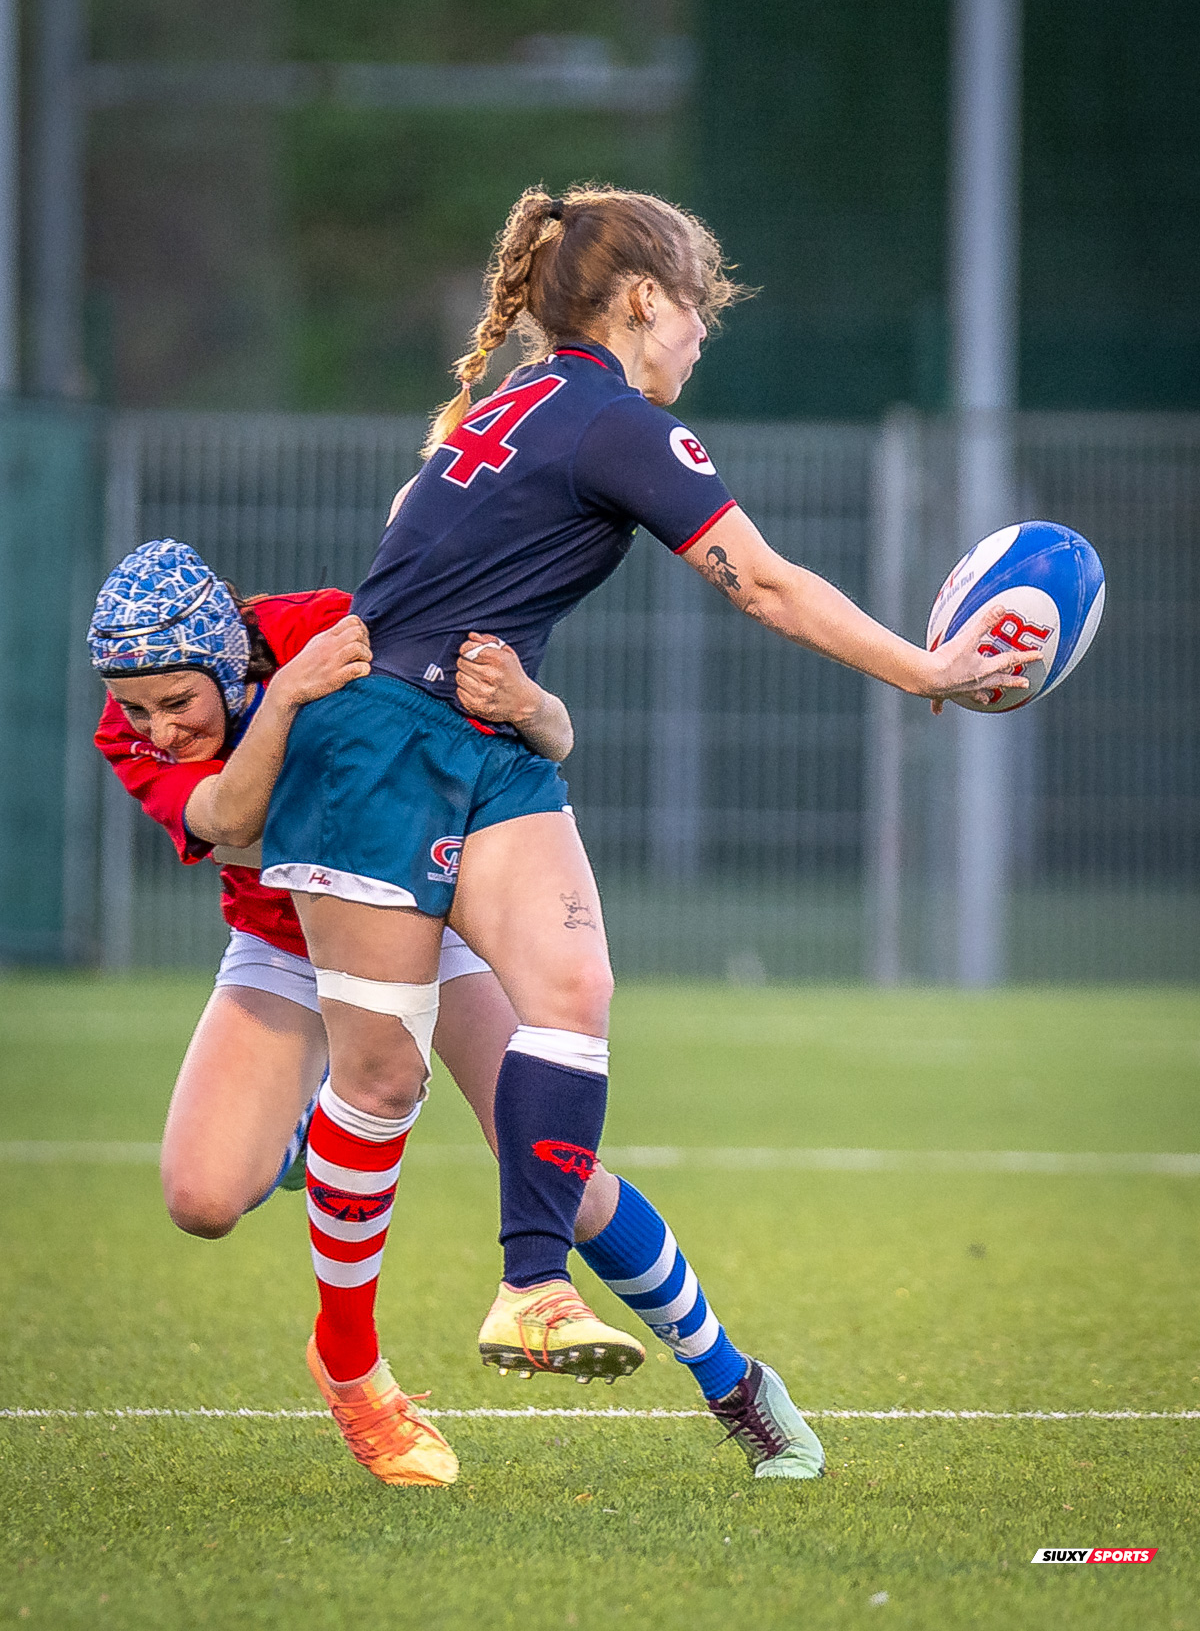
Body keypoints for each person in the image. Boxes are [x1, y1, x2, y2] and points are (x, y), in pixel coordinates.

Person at [257, 183, 1034, 1489]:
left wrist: (530, 707)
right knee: (385, 1085)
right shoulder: (615, 419)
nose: (702, 335)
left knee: (573, 1000)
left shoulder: (516, 406)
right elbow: (765, 583)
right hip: (385, 747)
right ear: (639, 301)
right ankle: (354, 1311)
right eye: (697, 309)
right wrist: (929, 669)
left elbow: (422, 552)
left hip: (483, 745)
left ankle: (539, 1293)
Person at [89, 538, 798, 1489]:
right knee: (202, 1202)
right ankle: (314, 1125)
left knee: (561, 1176)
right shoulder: (149, 723)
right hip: (285, 944)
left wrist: (532, 705)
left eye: (178, 702)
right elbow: (227, 820)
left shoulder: (332, 623)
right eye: (138, 709)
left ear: (223, 658)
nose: (158, 729)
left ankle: (733, 1381)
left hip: (431, 917)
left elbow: (541, 740)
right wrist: (289, 697)